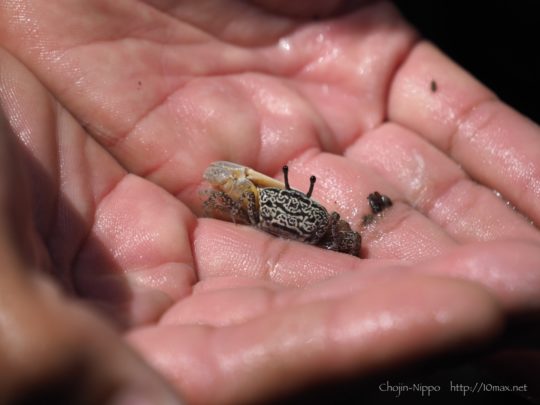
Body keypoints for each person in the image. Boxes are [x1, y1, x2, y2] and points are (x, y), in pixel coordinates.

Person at [0, 1, 538, 403]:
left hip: (266, 200)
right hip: (265, 198)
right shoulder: (309, 213)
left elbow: (287, 211)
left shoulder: (315, 218)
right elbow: (286, 208)